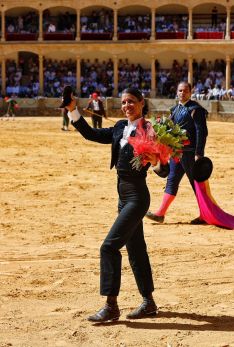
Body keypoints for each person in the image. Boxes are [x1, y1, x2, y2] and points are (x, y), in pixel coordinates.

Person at [65, 87, 158, 322]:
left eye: (131, 102)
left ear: (141, 103)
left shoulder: (150, 129)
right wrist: (73, 110)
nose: (127, 105)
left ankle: (111, 305)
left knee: (109, 247)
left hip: (137, 196)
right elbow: (91, 134)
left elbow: (164, 168)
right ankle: (149, 303)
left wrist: (156, 161)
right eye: (124, 102)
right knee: (136, 249)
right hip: (123, 196)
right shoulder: (119, 127)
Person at [146, 81, 208, 225]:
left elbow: (201, 132)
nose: (182, 93)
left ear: (190, 92)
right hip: (177, 152)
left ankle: (205, 215)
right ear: (177, 92)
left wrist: (199, 153)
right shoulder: (175, 109)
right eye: (180, 91)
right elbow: (168, 128)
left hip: (190, 153)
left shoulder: (195, 109)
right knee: (172, 180)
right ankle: (160, 213)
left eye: (185, 91)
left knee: (196, 184)